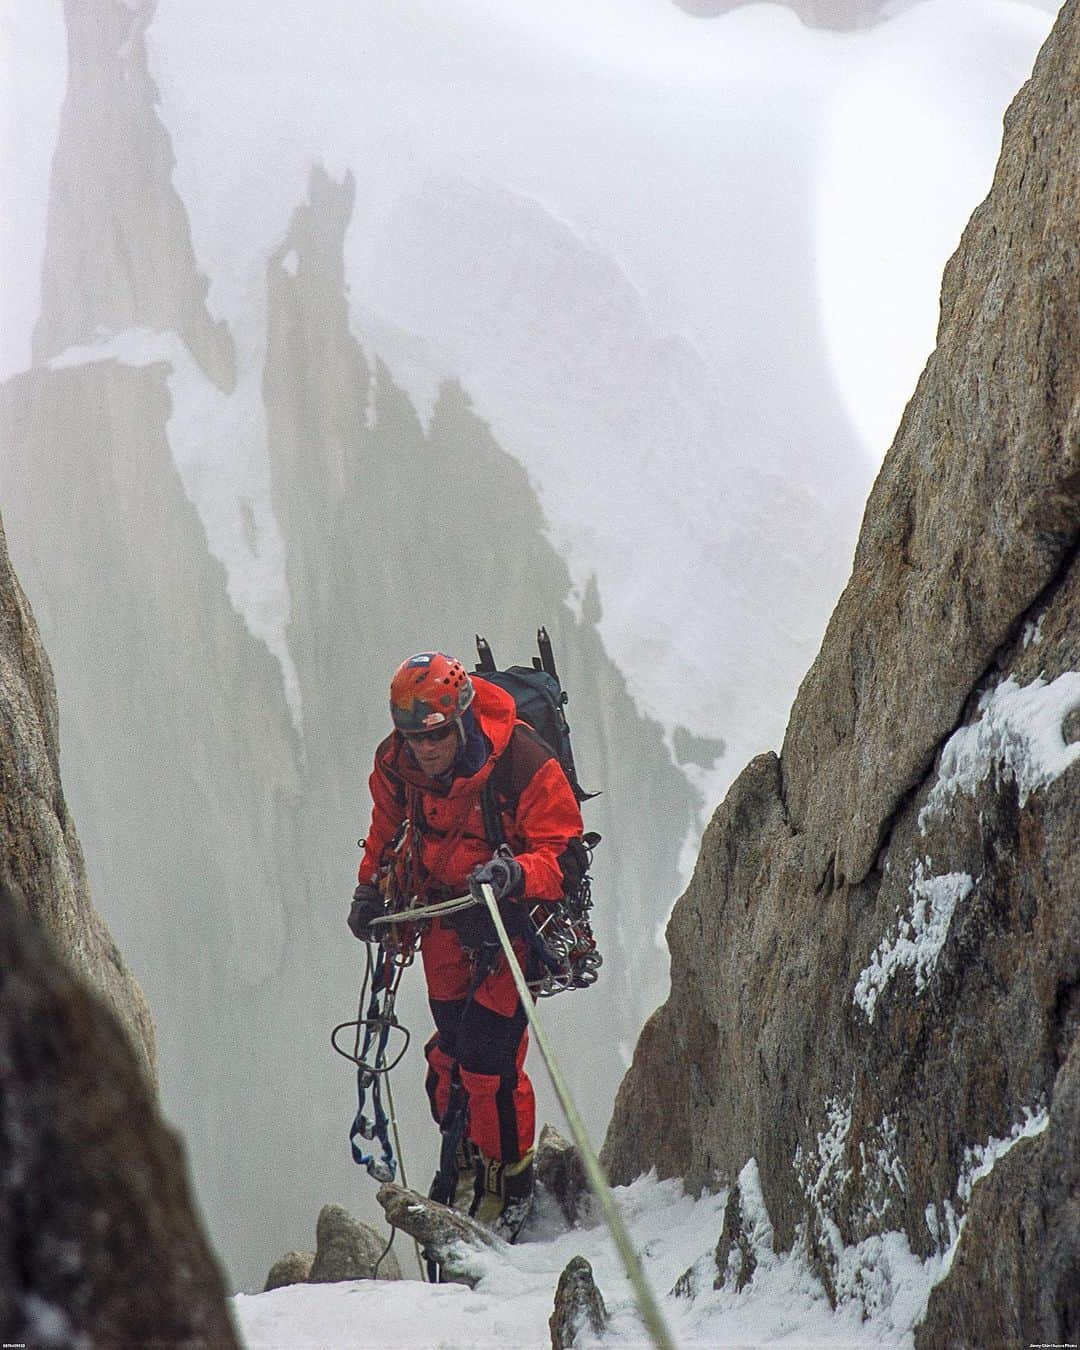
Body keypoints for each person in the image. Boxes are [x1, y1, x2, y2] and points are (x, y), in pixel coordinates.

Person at [348, 651, 585, 1238]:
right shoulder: (397, 764)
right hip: (444, 917)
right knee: (451, 1049)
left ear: (461, 720)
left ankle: (509, 1180)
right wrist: (368, 892)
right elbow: (387, 830)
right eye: (414, 738)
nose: (425, 750)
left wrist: (515, 874)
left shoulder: (521, 760)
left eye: (436, 737)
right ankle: (470, 1156)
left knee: (490, 1061)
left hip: (509, 923)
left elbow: (564, 852)